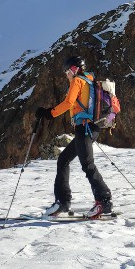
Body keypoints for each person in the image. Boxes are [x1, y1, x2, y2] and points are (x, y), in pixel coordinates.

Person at [35, 55, 113, 219]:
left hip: (84, 127)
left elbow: (69, 102)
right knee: (63, 159)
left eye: (66, 71)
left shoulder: (78, 81)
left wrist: (49, 113)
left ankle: (104, 200)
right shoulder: (90, 81)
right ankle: (63, 201)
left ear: (73, 69)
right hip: (91, 127)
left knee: (87, 165)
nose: (66, 75)